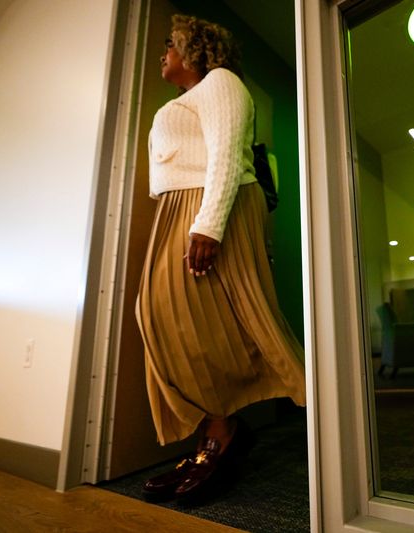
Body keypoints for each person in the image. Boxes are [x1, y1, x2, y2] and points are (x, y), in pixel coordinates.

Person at [135, 14, 306, 502]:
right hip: (178, 206)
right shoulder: (186, 99)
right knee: (165, 317)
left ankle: (222, 435)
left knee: (188, 315)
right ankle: (215, 431)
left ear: (196, 48)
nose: (163, 51)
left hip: (206, 203)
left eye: (172, 42)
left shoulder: (221, 82)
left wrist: (208, 224)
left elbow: (228, 154)